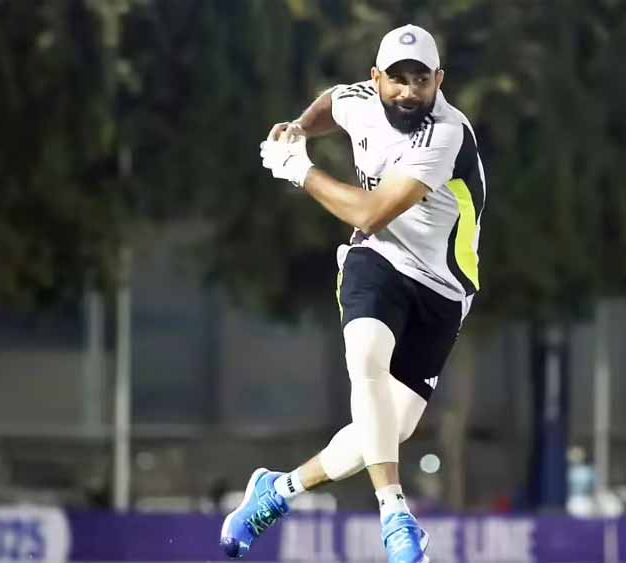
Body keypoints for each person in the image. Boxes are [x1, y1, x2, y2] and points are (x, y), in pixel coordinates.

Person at [220, 24, 486, 563]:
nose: (408, 92)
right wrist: (300, 126)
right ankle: (396, 517)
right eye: (397, 79)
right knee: (366, 355)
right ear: (376, 78)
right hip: (378, 258)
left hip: (442, 289)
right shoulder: (360, 99)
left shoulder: (445, 134)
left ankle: (277, 490)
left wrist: (300, 169)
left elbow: (371, 210)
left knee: (385, 431)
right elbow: (332, 103)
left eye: (420, 80)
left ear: (439, 81)